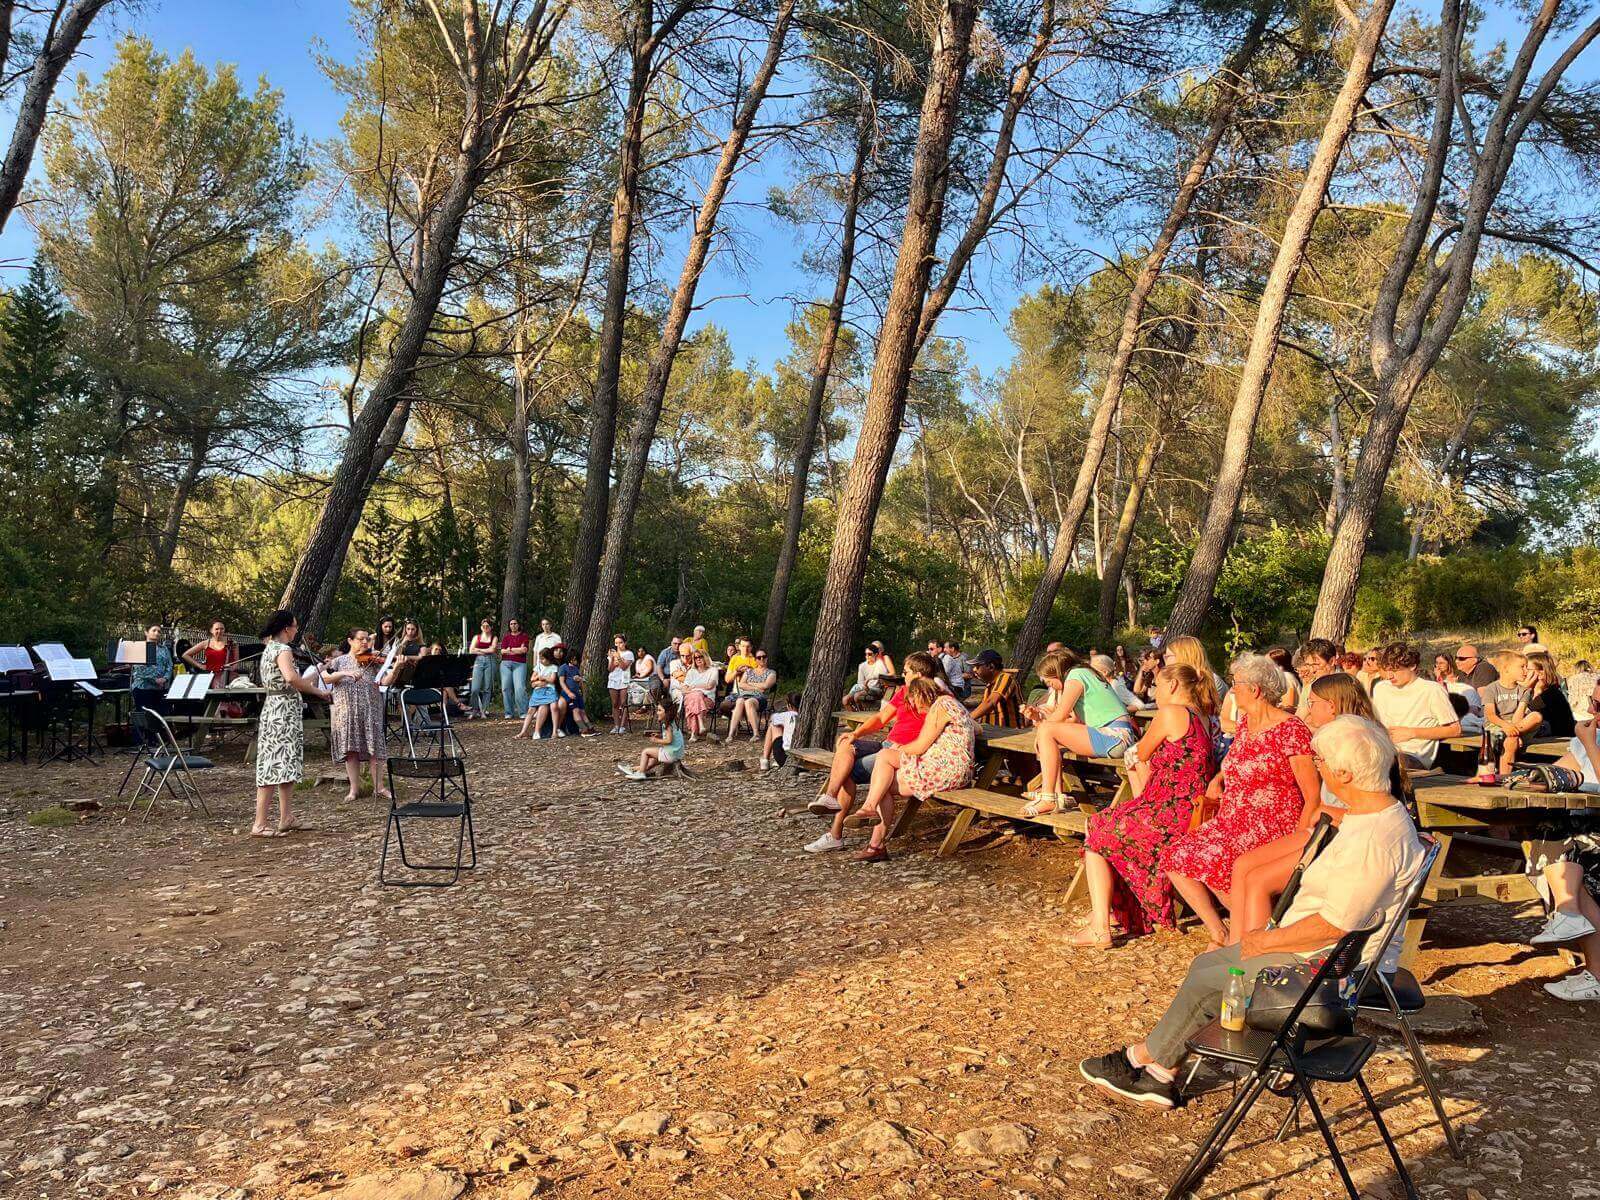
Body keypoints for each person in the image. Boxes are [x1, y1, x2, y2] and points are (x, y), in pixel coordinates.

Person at [1080, 716, 1426, 1109]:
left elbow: (1333, 926)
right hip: (1325, 957)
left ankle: (1145, 1061)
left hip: (1326, 973)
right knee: (1206, 968)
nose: (1317, 766)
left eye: (1320, 760)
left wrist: (1265, 940)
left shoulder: (1373, 844)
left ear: (1344, 773)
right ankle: (1160, 1069)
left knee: (1212, 978)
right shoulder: (1385, 814)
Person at [1161, 653, 1319, 949]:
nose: (1232, 691)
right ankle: (1220, 931)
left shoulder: (1290, 730)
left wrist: (1300, 839)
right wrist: (1219, 778)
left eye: (1236, 685)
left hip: (1272, 823)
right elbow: (1237, 759)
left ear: (1255, 690)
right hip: (1233, 817)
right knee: (1176, 854)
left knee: (1218, 858)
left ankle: (1252, 931)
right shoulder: (1246, 723)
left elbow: (1312, 794)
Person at [1226, 672, 1386, 945]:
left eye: (1312, 702)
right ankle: (1234, 944)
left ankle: (1256, 954)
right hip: (1323, 827)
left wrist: (1315, 817)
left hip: (1340, 834)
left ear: (1332, 706)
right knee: (1242, 865)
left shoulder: (1358, 742)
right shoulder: (1334, 736)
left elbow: (1366, 811)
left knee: (1259, 881)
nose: (1307, 709)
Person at [1072, 665, 1214, 947]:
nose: (1154, 692)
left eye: (1158, 686)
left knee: (1097, 827)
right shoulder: (1203, 717)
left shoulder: (1172, 713)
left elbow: (1141, 752)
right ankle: (1115, 912)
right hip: (1189, 808)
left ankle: (1101, 925)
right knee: (1108, 823)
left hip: (1169, 811)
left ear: (1173, 686)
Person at [806, 676, 977, 861]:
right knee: (883, 781)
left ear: (922, 694)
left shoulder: (941, 706)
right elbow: (978, 729)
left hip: (947, 769)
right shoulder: (950, 703)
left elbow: (919, 746)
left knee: (885, 758)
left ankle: (868, 809)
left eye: (917, 704)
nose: (918, 709)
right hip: (945, 765)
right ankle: (875, 845)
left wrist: (900, 749)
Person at [806, 651, 945, 819]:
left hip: (900, 753)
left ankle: (835, 833)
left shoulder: (938, 697)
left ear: (918, 675)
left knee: (846, 772)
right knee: (845, 742)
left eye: (906, 672)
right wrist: (856, 733)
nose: (902, 675)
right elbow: (881, 718)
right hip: (886, 744)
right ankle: (829, 797)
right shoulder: (904, 692)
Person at [1022, 648, 1140, 818]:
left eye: (1049, 682)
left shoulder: (1076, 676)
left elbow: (1061, 714)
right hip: (1115, 734)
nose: (1050, 687)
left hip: (1114, 736)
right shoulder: (1085, 673)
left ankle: (1048, 798)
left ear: (1058, 673)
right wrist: (1043, 731)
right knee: (1049, 735)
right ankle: (1057, 794)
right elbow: (1073, 721)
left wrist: (1043, 731)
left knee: (1047, 730)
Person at [253, 610, 331, 838]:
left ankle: (286, 817)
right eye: (295, 626)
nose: (297, 630)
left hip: (278, 708)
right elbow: (291, 678)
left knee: (287, 763)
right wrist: (317, 690)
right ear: (286, 628)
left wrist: (317, 675)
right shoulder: (283, 649)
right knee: (273, 764)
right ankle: (259, 823)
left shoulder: (270, 648)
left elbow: (292, 680)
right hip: (281, 712)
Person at [322, 628, 391, 801]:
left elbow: (386, 680)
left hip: (370, 709)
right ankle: (354, 789)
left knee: (375, 748)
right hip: (347, 711)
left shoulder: (374, 660)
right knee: (351, 750)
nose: (365, 643)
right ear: (350, 641)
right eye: (361, 639)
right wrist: (345, 673)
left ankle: (379, 787)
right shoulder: (339, 661)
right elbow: (324, 677)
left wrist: (396, 665)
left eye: (367, 639)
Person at [1370, 642, 1460, 769]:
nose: (1390, 676)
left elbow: (1454, 729)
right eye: (1388, 669)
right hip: (1382, 749)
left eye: (1395, 670)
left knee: (1388, 764)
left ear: (1412, 665)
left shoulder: (1431, 690)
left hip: (1411, 756)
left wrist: (1412, 733)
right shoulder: (1381, 688)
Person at [617, 695, 685, 780]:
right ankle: (633, 769)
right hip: (676, 754)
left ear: (667, 712)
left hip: (671, 754)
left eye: (660, 710)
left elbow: (669, 740)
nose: (657, 712)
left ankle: (641, 773)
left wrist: (656, 740)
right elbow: (671, 736)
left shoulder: (668, 725)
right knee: (651, 762)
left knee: (646, 752)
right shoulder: (673, 722)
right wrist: (659, 735)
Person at [129, 624, 174, 740]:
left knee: (157, 715)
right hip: (143, 687)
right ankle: (141, 741)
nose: (157, 633)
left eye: (159, 631)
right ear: (146, 632)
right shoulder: (140, 648)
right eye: (154, 630)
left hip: (160, 687)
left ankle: (156, 740)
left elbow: (169, 665)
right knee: (144, 714)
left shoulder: (164, 649)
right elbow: (139, 668)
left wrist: (165, 678)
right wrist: (154, 680)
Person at [726, 649, 775, 742]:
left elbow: (766, 685)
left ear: (767, 659)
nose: (761, 659)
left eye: (764, 657)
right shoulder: (749, 671)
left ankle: (756, 734)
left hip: (760, 698)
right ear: (755, 660)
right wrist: (757, 687)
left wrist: (749, 683)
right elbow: (741, 684)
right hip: (745, 695)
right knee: (740, 701)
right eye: (759, 657)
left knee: (749, 702)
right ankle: (730, 734)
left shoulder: (771, 672)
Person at [1526, 650, 1576, 738]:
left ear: (1541, 674)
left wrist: (1525, 689)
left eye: (1527, 669)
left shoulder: (1549, 695)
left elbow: (1525, 717)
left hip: (1558, 744)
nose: (1523, 672)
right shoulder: (1535, 693)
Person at [515, 648, 561, 740]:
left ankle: (554, 731)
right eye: (540, 658)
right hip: (538, 691)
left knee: (554, 707)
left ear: (549, 659)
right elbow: (532, 679)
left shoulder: (553, 667)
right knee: (530, 710)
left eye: (543, 659)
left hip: (549, 691)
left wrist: (542, 678)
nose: (540, 660)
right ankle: (523, 731)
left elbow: (552, 680)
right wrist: (540, 680)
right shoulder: (539, 666)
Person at [968, 649, 1021, 727]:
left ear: (991, 667)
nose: (974, 669)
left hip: (1009, 733)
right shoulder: (990, 684)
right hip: (993, 730)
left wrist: (966, 719)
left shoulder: (1005, 677)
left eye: (977, 666)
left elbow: (991, 702)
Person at [1292, 638, 1339, 718]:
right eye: (1308, 665)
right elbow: (1299, 717)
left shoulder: (1345, 686)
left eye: (1316, 664)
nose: (1312, 670)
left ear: (1331, 661)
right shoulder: (1310, 686)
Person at [556, 646, 598, 735]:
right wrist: (568, 692)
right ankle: (583, 728)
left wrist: (581, 686)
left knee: (582, 710)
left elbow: (580, 682)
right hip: (569, 693)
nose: (575, 661)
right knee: (575, 710)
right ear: (570, 659)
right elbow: (562, 682)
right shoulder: (563, 668)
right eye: (574, 659)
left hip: (577, 693)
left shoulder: (576, 668)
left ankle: (590, 727)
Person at [680, 649, 719, 740]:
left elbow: (710, 685)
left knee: (695, 699)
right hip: (692, 698)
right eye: (695, 657)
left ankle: (694, 734)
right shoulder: (691, 672)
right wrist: (697, 690)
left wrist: (693, 687)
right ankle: (701, 725)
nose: (698, 659)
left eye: (700, 656)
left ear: (705, 657)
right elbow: (684, 689)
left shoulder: (713, 670)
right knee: (696, 696)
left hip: (707, 699)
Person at [845, 642, 894, 709]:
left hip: (884, 686)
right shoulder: (865, 664)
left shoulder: (885, 658)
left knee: (857, 696)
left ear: (881, 650)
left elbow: (892, 673)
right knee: (848, 699)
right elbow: (861, 681)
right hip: (868, 686)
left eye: (877, 648)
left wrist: (875, 677)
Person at [760, 692, 801, 771]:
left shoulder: (787, 715)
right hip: (801, 758)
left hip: (782, 757)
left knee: (773, 725)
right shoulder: (806, 716)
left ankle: (765, 759)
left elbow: (772, 719)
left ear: (789, 705)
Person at [467, 619, 498, 718]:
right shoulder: (477, 637)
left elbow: (492, 649)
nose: (485, 628)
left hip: (490, 661)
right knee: (475, 688)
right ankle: (475, 709)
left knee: (487, 687)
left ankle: (484, 710)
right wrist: (485, 651)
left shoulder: (494, 637)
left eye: (487, 626)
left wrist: (478, 649)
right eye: (483, 626)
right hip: (478, 661)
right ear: (481, 627)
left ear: (491, 627)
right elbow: (471, 650)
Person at [499, 618, 530, 719]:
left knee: (520, 688)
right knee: (506, 688)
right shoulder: (506, 637)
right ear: (509, 626)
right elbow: (502, 651)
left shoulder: (524, 636)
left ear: (518, 625)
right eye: (511, 624)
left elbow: (524, 650)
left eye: (515, 623)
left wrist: (510, 649)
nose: (513, 625)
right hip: (505, 664)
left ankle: (523, 712)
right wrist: (517, 649)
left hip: (519, 664)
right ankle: (509, 712)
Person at [606, 636, 635, 734]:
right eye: (617, 643)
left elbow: (623, 667)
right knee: (615, 704)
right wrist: (612, 659)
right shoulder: (612, 654)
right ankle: (616, 725)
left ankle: (623, 726)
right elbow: (610, 668)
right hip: (613, 679)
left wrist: (618, 657)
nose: (619, 645)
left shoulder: (629, 654)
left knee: (623, 703)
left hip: (624, 680)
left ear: (625, 643)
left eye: (621, 642)